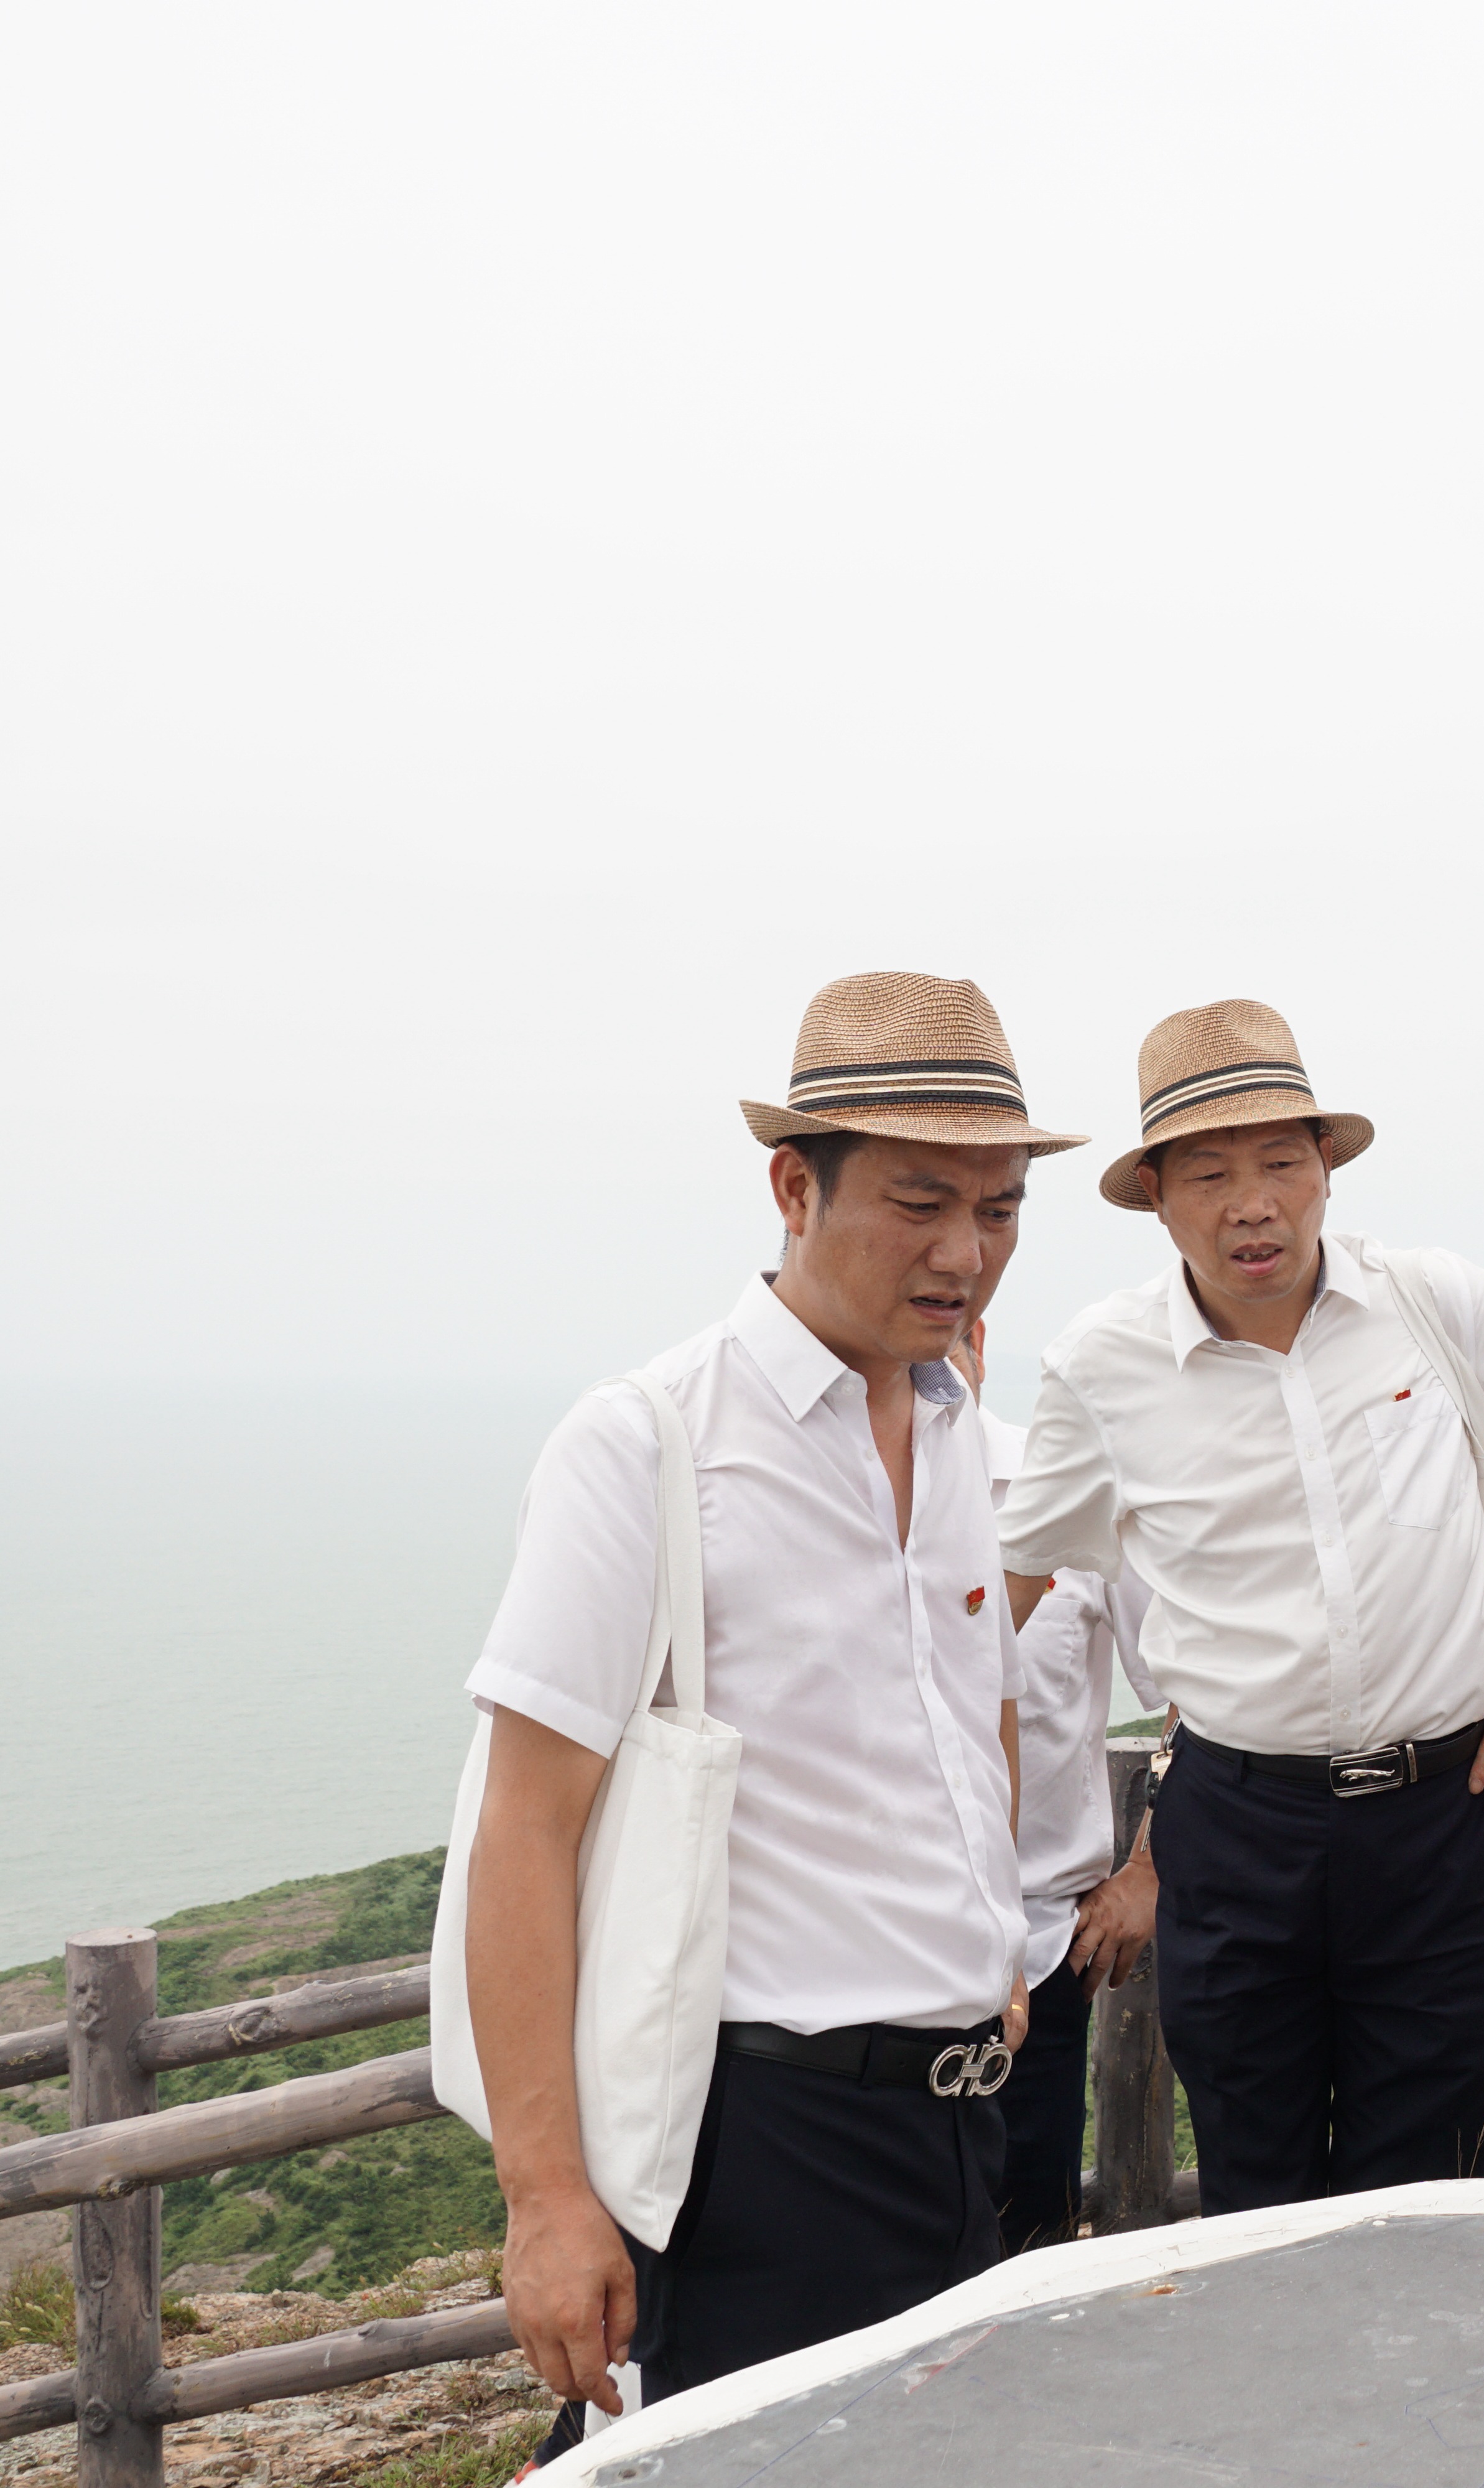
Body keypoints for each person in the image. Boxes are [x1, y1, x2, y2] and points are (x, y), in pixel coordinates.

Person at [464, 972, 1078, 2450]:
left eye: (999, 1208)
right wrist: (546, 2196)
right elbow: (525, 1826)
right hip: (758, 2135)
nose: (967, 1251)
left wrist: (992, 1935)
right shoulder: (652, 1441)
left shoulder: (957, 1430)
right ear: (795, 1187)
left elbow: (974, 1711)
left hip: (960, 2113)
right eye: (921, 1201)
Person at [996, 1000, 1484, 2214]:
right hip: (1236, 1830)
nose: (1254, 1204)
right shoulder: (1102, 1365)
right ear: (1157, 1196)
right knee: (1258, 2195)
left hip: (1441, 1816)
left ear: (1326, 1166)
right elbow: (999, 1604)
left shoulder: (1431, 1303)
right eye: (1210, 1174)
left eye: (1281, 1162)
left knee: (1431, 2191)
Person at [960, 1329, 1164, 2254]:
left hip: (1043, 1956)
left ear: (977, 1340)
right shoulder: (825, 1509)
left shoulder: (1072, 1491)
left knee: (1022, 2248)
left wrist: (1149, 1868)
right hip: (856, 1969)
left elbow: (1193, 1683)